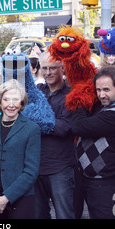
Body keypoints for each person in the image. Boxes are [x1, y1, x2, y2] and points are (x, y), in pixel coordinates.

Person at [72, 66, 115, 219]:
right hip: (84, 174)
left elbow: (79, 127)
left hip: (102, 181)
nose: (101, 95)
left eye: (106, 89)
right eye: (98, 90)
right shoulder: (106, 104)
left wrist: (78, 100)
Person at [0, 79, 40, 219]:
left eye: (15, 100)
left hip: (21, 198)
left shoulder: (32, 129)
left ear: (22, 103)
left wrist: (6, 198)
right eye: (6, 99)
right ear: (0, 102)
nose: (11, 104)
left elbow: (31, 171)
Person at [34, 52, 75, 219]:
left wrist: (38, 118)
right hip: (35, 167)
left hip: (60, 167)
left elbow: (64, 128)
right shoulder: (37, 91)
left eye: (52, 68)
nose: (48, 72)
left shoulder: (71, 94)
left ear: (62, 68)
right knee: (38, 215)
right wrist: (50, 121)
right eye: (44, 68)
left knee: (64, 215)